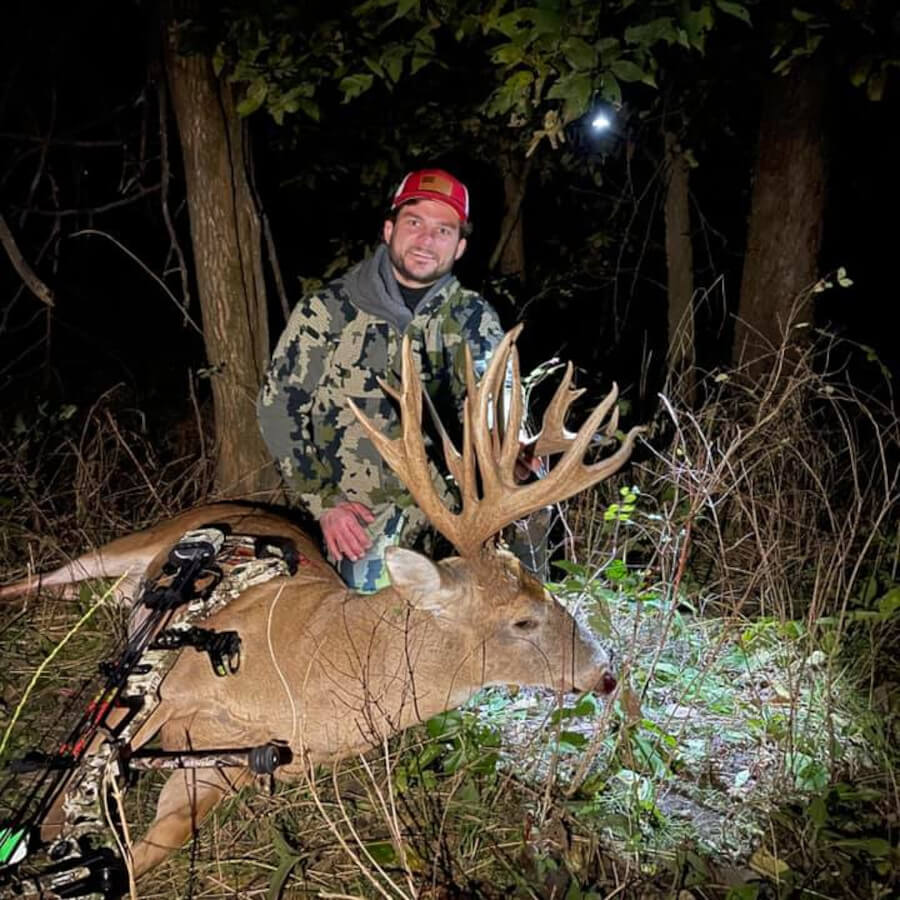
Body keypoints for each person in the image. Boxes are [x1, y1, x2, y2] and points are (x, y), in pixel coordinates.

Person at [257, 168, 508, 591]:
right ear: (389, 229)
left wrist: (515, 447)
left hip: (452, 515)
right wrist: (325, 504)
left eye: (443, 230)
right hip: (361, 519)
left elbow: (497, 402)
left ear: (460, 247)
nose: (427, 240)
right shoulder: (328, 312)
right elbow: (277, 410)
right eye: (415, 223)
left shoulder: (473, 318)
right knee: (369, 626)